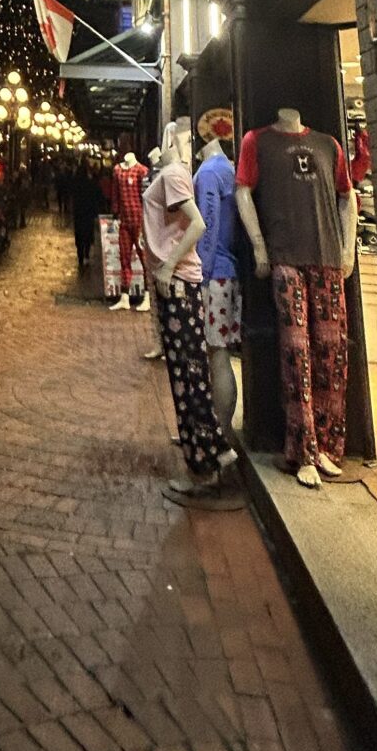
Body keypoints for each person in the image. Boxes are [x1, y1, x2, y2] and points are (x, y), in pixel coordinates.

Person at [143, 119, 242, 509]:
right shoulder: (177, 173)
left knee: (189, 375)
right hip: (180, 282)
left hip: (179, 283)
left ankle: (206, 462)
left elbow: (200, 223)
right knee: (189, 372)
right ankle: (213, 452)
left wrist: (168, 266)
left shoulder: (173, 174)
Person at [193, 131, 242, 441]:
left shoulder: (210, 173)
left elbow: (207, 227)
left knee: (217, 353)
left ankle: (221, 432)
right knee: (217, 353)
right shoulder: (228, 170)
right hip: (229, 271)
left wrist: (202, 273)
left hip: (216, 275)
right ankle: (216, 428)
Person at [71, 158, 104, 270]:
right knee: (87, 234)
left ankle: (80, 256)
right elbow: (98, 196)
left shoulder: (75, 183)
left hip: (78, 212)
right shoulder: (91, 183)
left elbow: (72, 195)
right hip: (88, 212)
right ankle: (86, 254)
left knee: (79, 234)